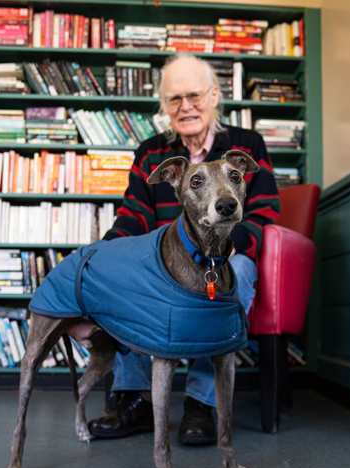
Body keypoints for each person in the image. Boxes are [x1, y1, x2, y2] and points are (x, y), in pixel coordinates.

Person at [87, 53, 280, 445]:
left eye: (194, 95)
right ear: (164, 105)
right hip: (164, 264)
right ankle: (138, 399)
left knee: (238, 274)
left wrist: (226, 249)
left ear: (213, 96)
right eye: (174, 99)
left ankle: (200, 403)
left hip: (224, 255)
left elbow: (265, 214)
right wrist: (103, 258)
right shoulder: (150, 152)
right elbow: (133, 215)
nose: (186, 106)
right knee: (125, 277)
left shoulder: (247, 145)